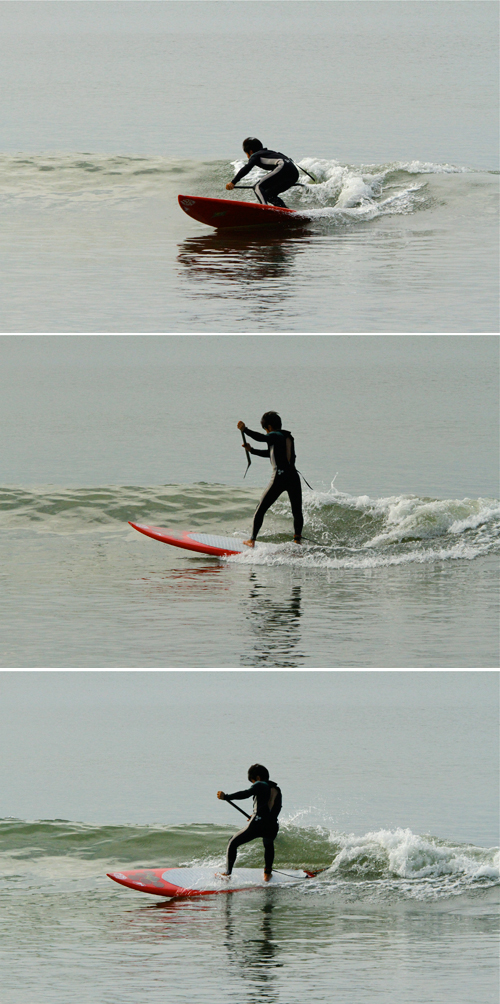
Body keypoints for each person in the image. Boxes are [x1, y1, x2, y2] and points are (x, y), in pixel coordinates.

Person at [237, 412, 303, 547]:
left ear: (269, 427)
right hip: (293, 477)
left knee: (260, 509)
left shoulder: (275, 435)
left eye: (266, 430)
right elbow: (271, 453)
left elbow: (261, 438)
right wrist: (252, 450)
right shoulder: (286, 437)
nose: (266, 433)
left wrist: (245, 430)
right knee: (297, 511)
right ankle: (297, 540)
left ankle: (252, 540)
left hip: (280, 477)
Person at [217, 764, 282, 881]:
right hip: (272, 825)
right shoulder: (276, 789)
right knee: (268, 844)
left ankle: (227, 873)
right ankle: (267, 873)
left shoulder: (260, 784)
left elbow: (245, 793)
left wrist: (226, 797)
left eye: (252, 781)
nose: (253, 785)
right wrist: (255, 815)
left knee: (232, 842)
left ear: (257, 778)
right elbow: (274, 807)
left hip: (258, 824)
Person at [226, 137, 299, 208]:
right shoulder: (270, 153)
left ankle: (264, 209)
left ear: (250, 151)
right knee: (269, 194)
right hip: (294, 173)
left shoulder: (255, 155)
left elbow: (247, 168)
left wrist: (233, 182)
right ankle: (285, 211)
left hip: (283, 167)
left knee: (257, 186)